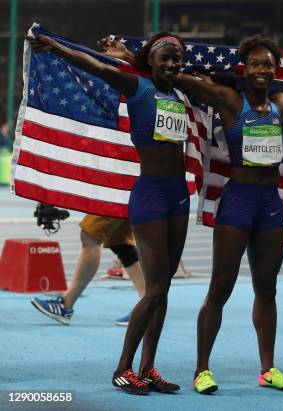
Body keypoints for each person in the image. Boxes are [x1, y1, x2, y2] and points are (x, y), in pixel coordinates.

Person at [28, 31, 192, 395]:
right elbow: (95, 64)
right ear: (150, 60)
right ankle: (123, 368)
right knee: (155, 290)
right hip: (150, 196)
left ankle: (148, 369)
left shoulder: (181, 95)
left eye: (177, 58)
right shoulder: (138, 88)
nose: (171, 63)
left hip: (179, 197)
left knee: (163, 292)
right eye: (164, 56)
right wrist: (55, 47)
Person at [172, 35, 283, 394]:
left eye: (269, 64)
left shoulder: (279, 104)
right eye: (257, 64)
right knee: (220, 288)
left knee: (267, 289)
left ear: (276, 70)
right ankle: (202, 370)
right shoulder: (231, 101)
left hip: (270, 206)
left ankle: (268, 369)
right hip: (238, 204)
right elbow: (177, 76)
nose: (263, 69)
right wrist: (139, 57)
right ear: (245, 69)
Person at [31, 215, 145, 326]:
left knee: (90, 235)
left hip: (120, 195)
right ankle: (147, 305)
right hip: (129, 196)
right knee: (119, 241)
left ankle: (65, 305)